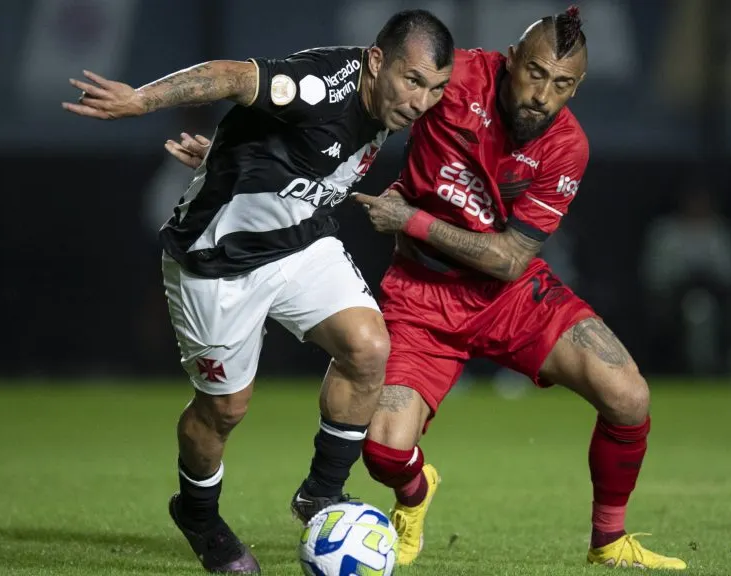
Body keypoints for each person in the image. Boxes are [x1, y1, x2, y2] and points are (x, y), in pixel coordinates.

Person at [63, 10, 454, 573]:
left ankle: (321, 494)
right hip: (217, 262)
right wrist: (139, 102)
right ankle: (197, 513)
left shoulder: (389, 104)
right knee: (223, 409)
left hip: (300, 243)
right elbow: (232, 76)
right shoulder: (323, 86)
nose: (420, 101)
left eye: (434, 89)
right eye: (412, 80)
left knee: (369, 347)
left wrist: (234, 156)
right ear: (376, 62)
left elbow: (304, 153)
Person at [353, 6, 686, 569]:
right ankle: (415, 493)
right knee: (384, 451)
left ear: (576, 88)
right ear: (510, 62)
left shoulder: (566, 149)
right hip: (420, 295)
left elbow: (509, 259)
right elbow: (366, 99)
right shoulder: (453, 79)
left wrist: (408, 219)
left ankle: (608, 541)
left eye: (561, 84)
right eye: (535, 73)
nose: (542, 94)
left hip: (509, 295)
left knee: (629, 398)